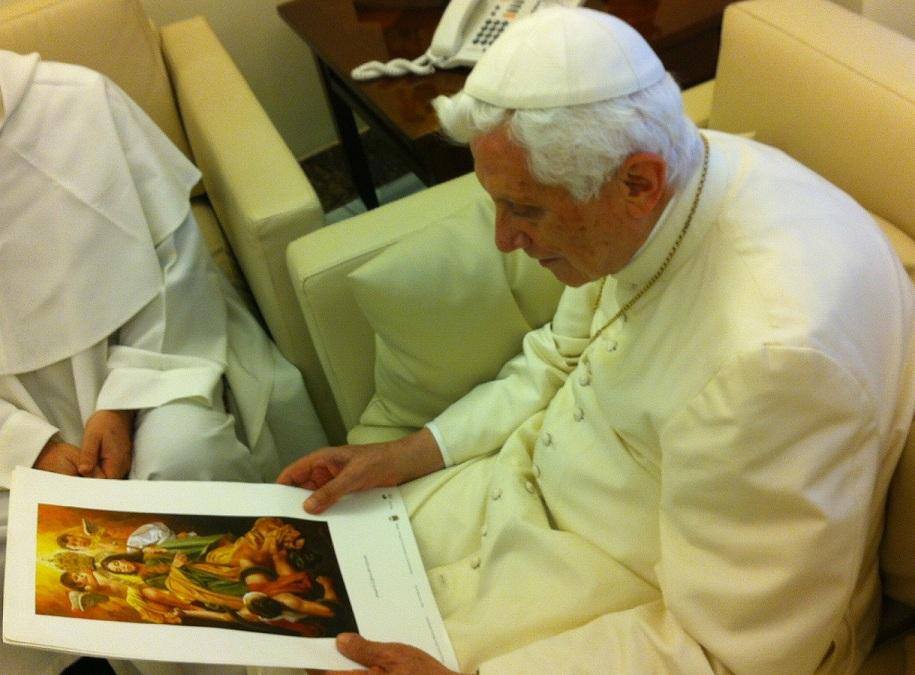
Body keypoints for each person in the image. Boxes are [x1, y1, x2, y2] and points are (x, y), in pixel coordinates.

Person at [276, 6, 915, 675]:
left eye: (525, 208)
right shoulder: (671, 181)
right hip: (525, 485)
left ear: (638, 183)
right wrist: (408, 453)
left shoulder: (774, 361)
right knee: (298, 569)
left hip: (637, 602)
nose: (503, 239)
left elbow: (729, 654)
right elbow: (559, 355)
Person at [0, 48, 327, 674]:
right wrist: (27, 445)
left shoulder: (82, 101)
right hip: (12, 419)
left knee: (184, 463)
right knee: (64, 552)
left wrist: (124, 401)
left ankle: (277, 657)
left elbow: (176, 262)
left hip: (152, 356)